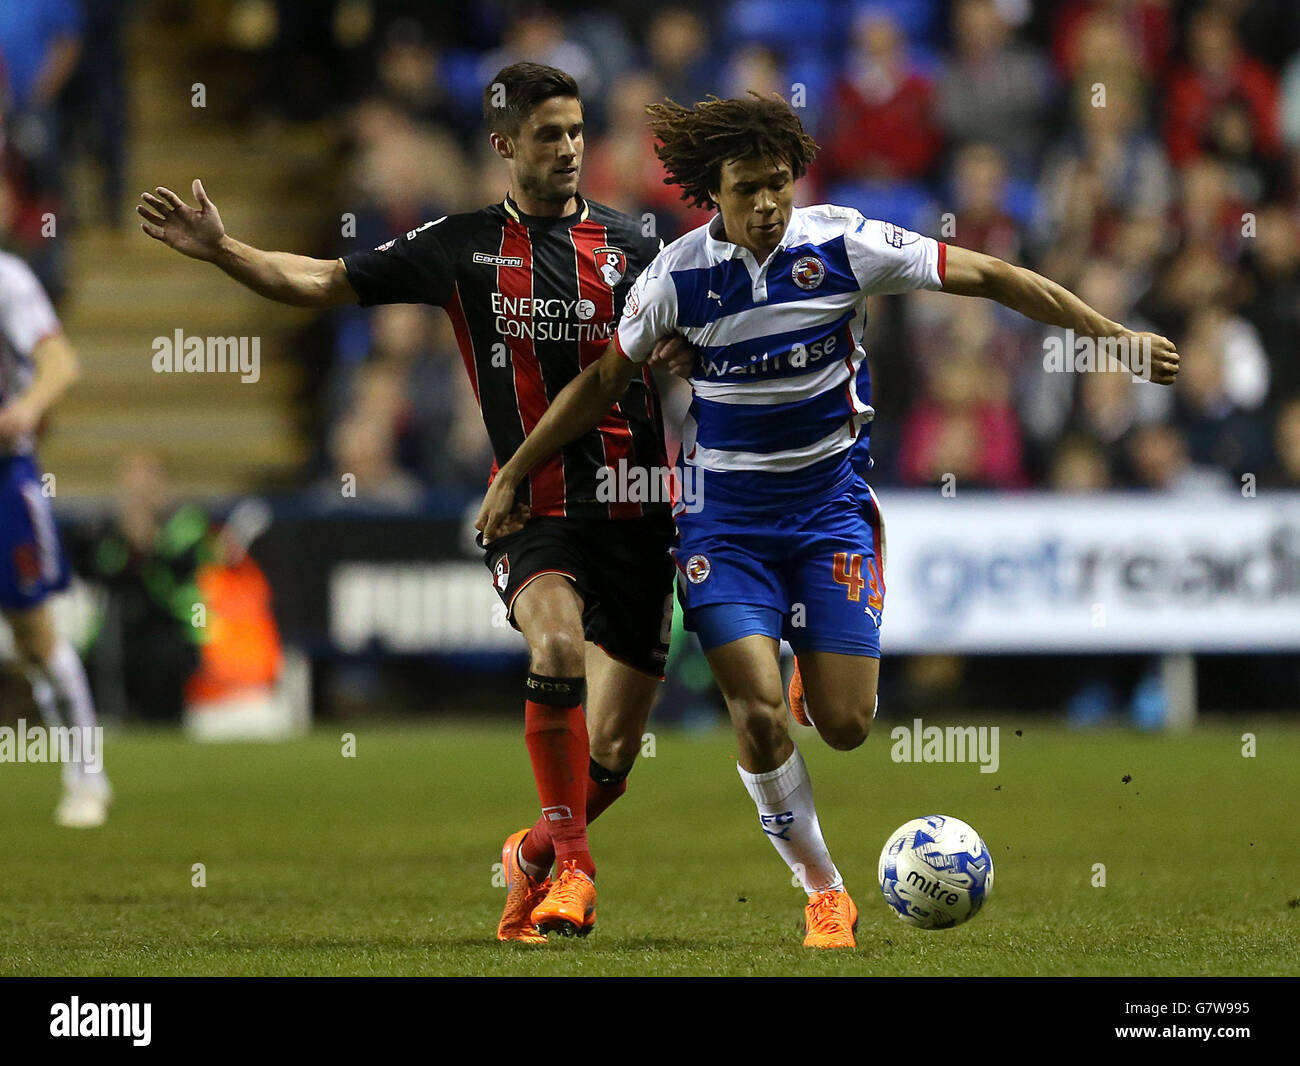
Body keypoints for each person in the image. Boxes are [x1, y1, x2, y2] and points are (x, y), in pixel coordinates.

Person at [477, 92, 1180, 948]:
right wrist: (517, 470)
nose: (768, 205)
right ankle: (825, 891)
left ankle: (819, 665)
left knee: (845, 726)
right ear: (714, 194)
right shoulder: (676, 279)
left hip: (829, 513)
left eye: (778, 185)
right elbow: (595, 384)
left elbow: (993, 275)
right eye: (748, 190)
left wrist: (1113, 337)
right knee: (759, 713)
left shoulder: (844, 242)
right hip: (723, 527)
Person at [138, 62, 690, 942]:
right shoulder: (461, 245)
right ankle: (576, 871)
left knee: (614, 755)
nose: (568, 149)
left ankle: (537, 856)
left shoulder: (636, 247)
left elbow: (692, 349)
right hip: (531, 508)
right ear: (504, 144)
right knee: (554, 643)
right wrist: (223, 251)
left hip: (638, 511)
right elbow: (320, 281)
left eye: (578, 132)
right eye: (548, 134)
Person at [0, 250, 109, 827]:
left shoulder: (7, 279)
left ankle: (87, 775)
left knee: (35, 637)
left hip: (3, 477)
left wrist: (26, 409)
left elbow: (61, 364)